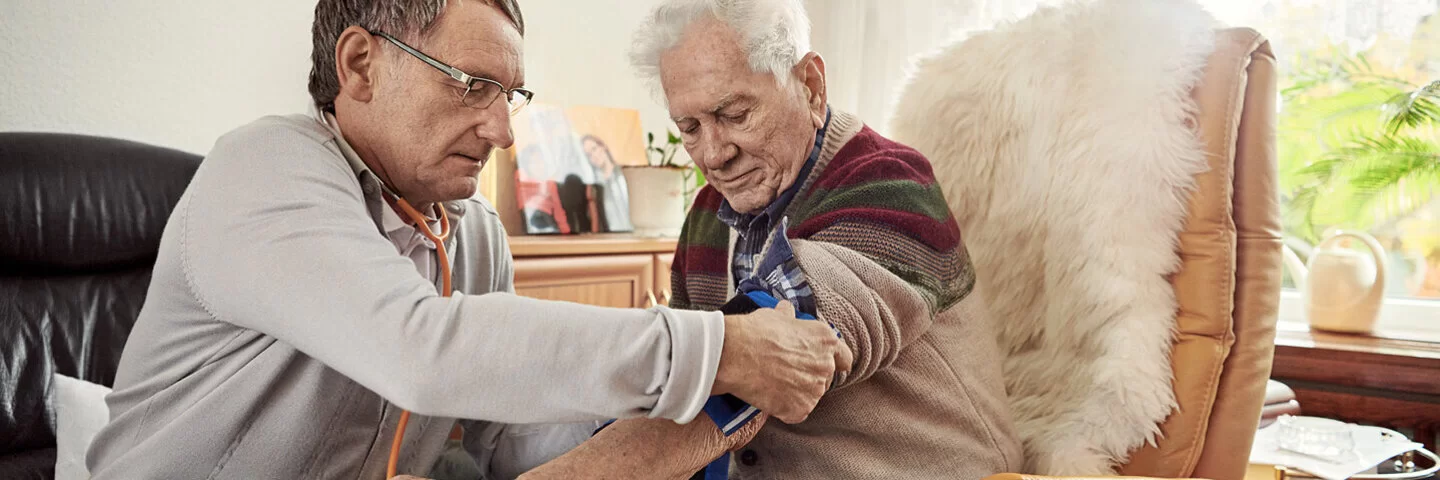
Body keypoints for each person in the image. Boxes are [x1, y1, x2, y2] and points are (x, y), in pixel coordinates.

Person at [85, 1, 852, 478]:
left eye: (509, 94)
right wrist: (720, 349)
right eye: (471, 85)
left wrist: (625, 426)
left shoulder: (474, 235)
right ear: (361, 64)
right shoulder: (262, 168)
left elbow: (500, 446)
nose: (502, 131)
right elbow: (423, 350)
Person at [526, 1, 1023, 478]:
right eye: (690, 127)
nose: (714, 155)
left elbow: (776, 347)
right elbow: (682, 384)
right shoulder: (706, 214)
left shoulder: (889, 184)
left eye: (734, 114)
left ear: (809, 86)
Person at [580, 134, 634, 232]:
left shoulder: (625, 174)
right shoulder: (593, 187)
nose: (594, 156)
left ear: (603, 147)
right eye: (589, 155)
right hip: (609, 237)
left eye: (594, 149)